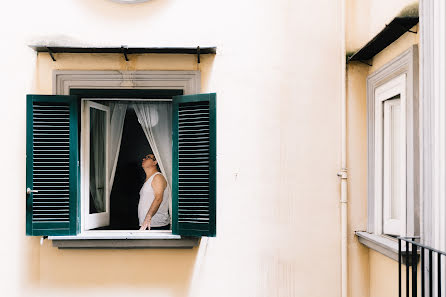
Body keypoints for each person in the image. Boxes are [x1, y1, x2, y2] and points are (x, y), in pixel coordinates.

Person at [138, 153, 170, 230]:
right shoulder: (149, 179)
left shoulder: (157, 177)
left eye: (148, 157)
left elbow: (158, 198)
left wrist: (148, 217)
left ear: (155, 162)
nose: (143, 159)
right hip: (147, 224)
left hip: (156, 225)